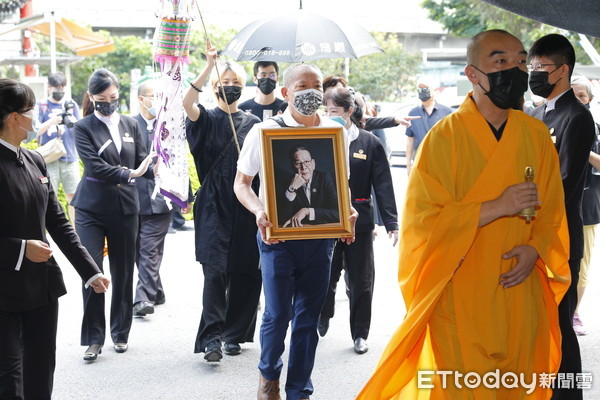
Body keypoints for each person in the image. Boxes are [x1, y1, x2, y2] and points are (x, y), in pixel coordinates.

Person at [357, 29, 570, 399]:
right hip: (461, 292)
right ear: (473, 74)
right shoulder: (443, 140)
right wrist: (495, 207)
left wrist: (536, 247)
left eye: (520, 61)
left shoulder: (536, 136)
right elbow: (421, 225)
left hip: (520, 290)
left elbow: (552, 210)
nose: (514, 70)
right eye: (500, 61)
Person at [234, 62, 357, 400]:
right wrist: (259, 210)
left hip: (321, 241)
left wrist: (348, 212)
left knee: (307, 318)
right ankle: (268, 375)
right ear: (286, 92)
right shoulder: (264, 131)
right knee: (278, 312)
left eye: (316, 86)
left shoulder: (336, 132)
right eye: (303, 86)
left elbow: (340, 186)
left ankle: (299, 388)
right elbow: (242, 184)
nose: (311, 93)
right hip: (277, 240)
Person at [0, 78, 109, 399]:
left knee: (41, 368)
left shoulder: (33, 160)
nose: (36, 117)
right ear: (14, 118)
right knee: (9, 378)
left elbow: (58, 223)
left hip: (41, 287)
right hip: (4, 290)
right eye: (30, 110)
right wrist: (19, 249)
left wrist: (91, 271)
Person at [183, 41, 262, 362]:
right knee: (215, 273)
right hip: (213, 206)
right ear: (215, 87)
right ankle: (212, 338)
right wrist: (208, 66)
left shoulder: (254, 125)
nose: (230, 88)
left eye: (236, 84)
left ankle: (235, 335)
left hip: (246, 205)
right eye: (224, 83)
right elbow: (187, 101)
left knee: (246, 272)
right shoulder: (204, 119)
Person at [527, 34, 596, 400]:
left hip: (559, 234)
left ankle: (570, 395)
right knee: (539, 323)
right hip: (533, 234)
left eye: (541, 68)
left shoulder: (577, 116)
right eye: (532, 67)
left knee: (560, 322)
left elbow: (565, 181)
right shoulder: (536, 113)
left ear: (563, 69)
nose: (534, 74)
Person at [72, 68, 155, 361]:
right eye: (102, 98)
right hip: (91, 209)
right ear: (92, 98)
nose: (109, 102)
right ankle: (94, 338)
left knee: (123, 272)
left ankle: (120, 333)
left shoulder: (132, 124)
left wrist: (168, 177)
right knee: (92, 270)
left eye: (114, 97)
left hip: (125, 209)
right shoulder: (82, 128)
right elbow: (94, 166)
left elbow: (146, 162)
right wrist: (128, 172)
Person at [319, 87, 399, 355]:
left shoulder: (369, 142)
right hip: (327, 222)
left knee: (362, 281)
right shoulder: (320, 139)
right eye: (326, 111)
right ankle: (323, 313)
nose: (329, 116)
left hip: (360, 223)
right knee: (325, 276)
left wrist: (391, 223)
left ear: (349, 112)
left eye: (334, 112)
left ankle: (360, 334)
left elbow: (383, 185)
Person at [132, 80, 186, 316]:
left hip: (161, 200)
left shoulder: (169, 127)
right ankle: (157, 290)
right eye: (153, 96)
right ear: (141, 99)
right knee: (138, 251)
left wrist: (186, 196)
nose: (158, 101)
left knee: (149, 249)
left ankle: (143, 299)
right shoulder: (128, 125)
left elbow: (179, 162)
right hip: (133, 200)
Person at [570, 75, 599, 336]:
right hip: (558, 204)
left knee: (582, 262)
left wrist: (583, 150)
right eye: (573, 95)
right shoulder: (557, 122)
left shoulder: (596, 127)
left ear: (590, 99)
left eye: (582, 96)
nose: (578, 100)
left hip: (588, 206)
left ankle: (575, 313)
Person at [36, 71, 81, 223]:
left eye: (62, 88)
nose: (59, 91)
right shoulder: (41, 105)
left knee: (74, 196)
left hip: (70, 156)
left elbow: (79, 128)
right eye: (56, 88)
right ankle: (51, 231)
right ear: (49, 87)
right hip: (49, 158)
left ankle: (76, 231)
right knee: (50, 196)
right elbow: (35, 131)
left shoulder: (71, 104)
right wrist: (53, 121)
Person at [280, 145, 339, 227]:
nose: (303, 167)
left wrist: (308, 211)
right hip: (299, 233)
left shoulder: (324, 179)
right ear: (292, 166)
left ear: (313, 164)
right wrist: (291, 190)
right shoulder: (287, 183)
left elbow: (338, 213)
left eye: (307, 162)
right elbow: (282, 219)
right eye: (298, 163)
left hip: (323, 231)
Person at [405, 78, 453, 175]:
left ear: (434, 90)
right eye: (420, 89)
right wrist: (408, 165)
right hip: (420, 163)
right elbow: (410, 140)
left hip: (443, 164)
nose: (422, 91)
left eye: (426, 89)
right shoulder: (413, 113)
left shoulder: (447, 112)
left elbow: (454, 140)